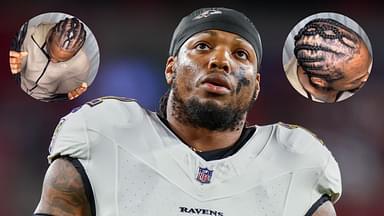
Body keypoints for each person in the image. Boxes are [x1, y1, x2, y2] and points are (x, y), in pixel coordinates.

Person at [34, 8, 341, 216]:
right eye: (203, 47)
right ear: (171, 68)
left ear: (257, 84)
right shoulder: (104, 137)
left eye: (240, 54)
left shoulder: (294, 165)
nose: (221, 62)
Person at [284, 18, 372, 103]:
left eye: (368, 63)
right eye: (355, 80)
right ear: (320, 82)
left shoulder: (358, 64)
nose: (367, 78)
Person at [9, 17, 89, 101]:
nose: (53, 61)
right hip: (19, 85)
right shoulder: (31, 34)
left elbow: (66, 93)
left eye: (60, 60)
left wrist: (67, 97)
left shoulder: (81, 64)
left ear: (75, 54)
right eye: (50, 53)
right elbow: (17, 67)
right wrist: (13, 64)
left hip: (46, 99)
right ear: (48, 36)